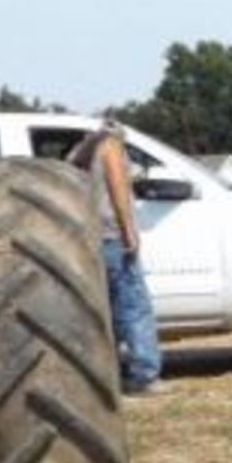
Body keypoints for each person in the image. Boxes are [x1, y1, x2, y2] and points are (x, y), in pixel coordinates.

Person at [71, 119, 162, 395]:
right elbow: (118, 186)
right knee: (134, 305)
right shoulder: (111, 147)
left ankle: (108, 370)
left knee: (107, 309)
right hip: (113, 234)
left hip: (92, 236)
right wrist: (129, 230)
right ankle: (143, 374)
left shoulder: (83, 153)